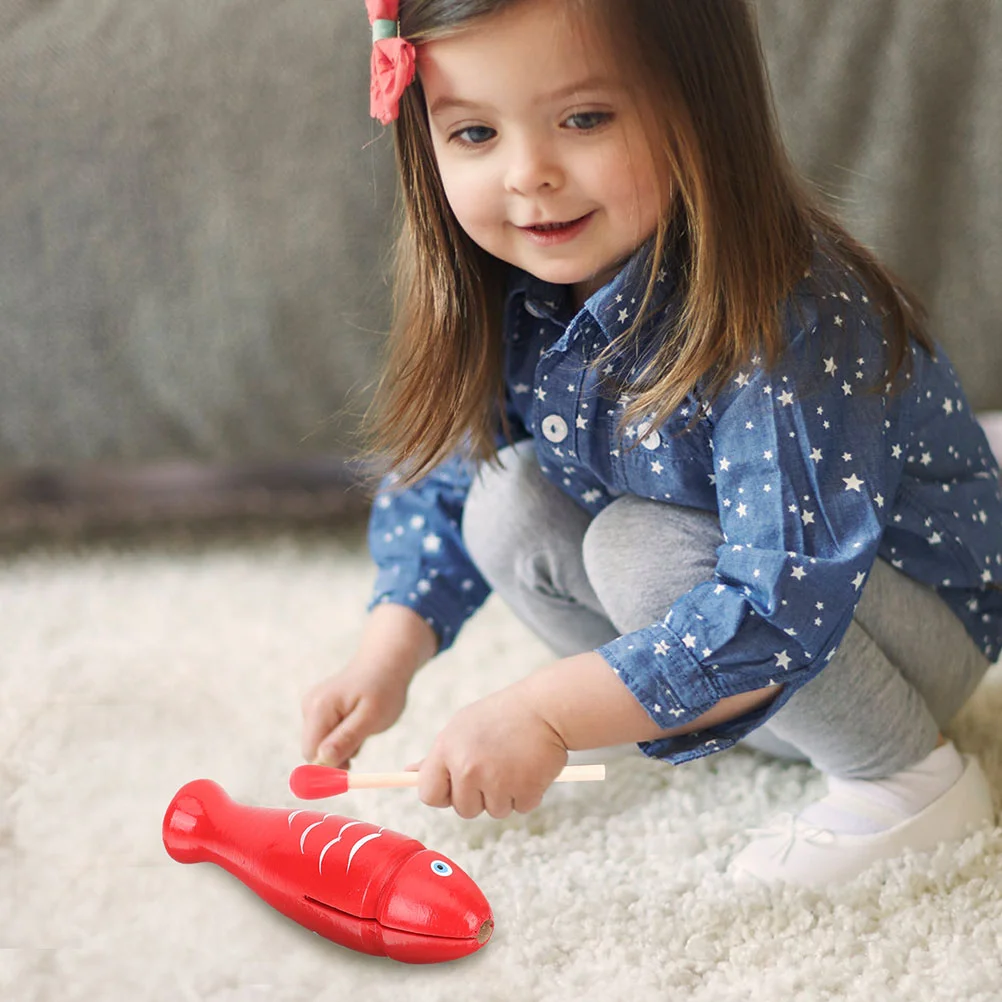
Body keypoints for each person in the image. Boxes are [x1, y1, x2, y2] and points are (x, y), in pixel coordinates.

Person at [301, 0, 1002, 887]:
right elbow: (446, 477)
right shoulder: (511, 284)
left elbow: (786, 589)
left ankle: (907, 776)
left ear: (697, 110)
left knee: (635, 546)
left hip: (901, 628)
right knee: (505, 499)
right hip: (746, 633)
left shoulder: (788, 310)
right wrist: (383, 657)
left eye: (584, 119)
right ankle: (676, 710)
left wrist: (547, 713)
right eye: (474, 133)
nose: (529, 176)